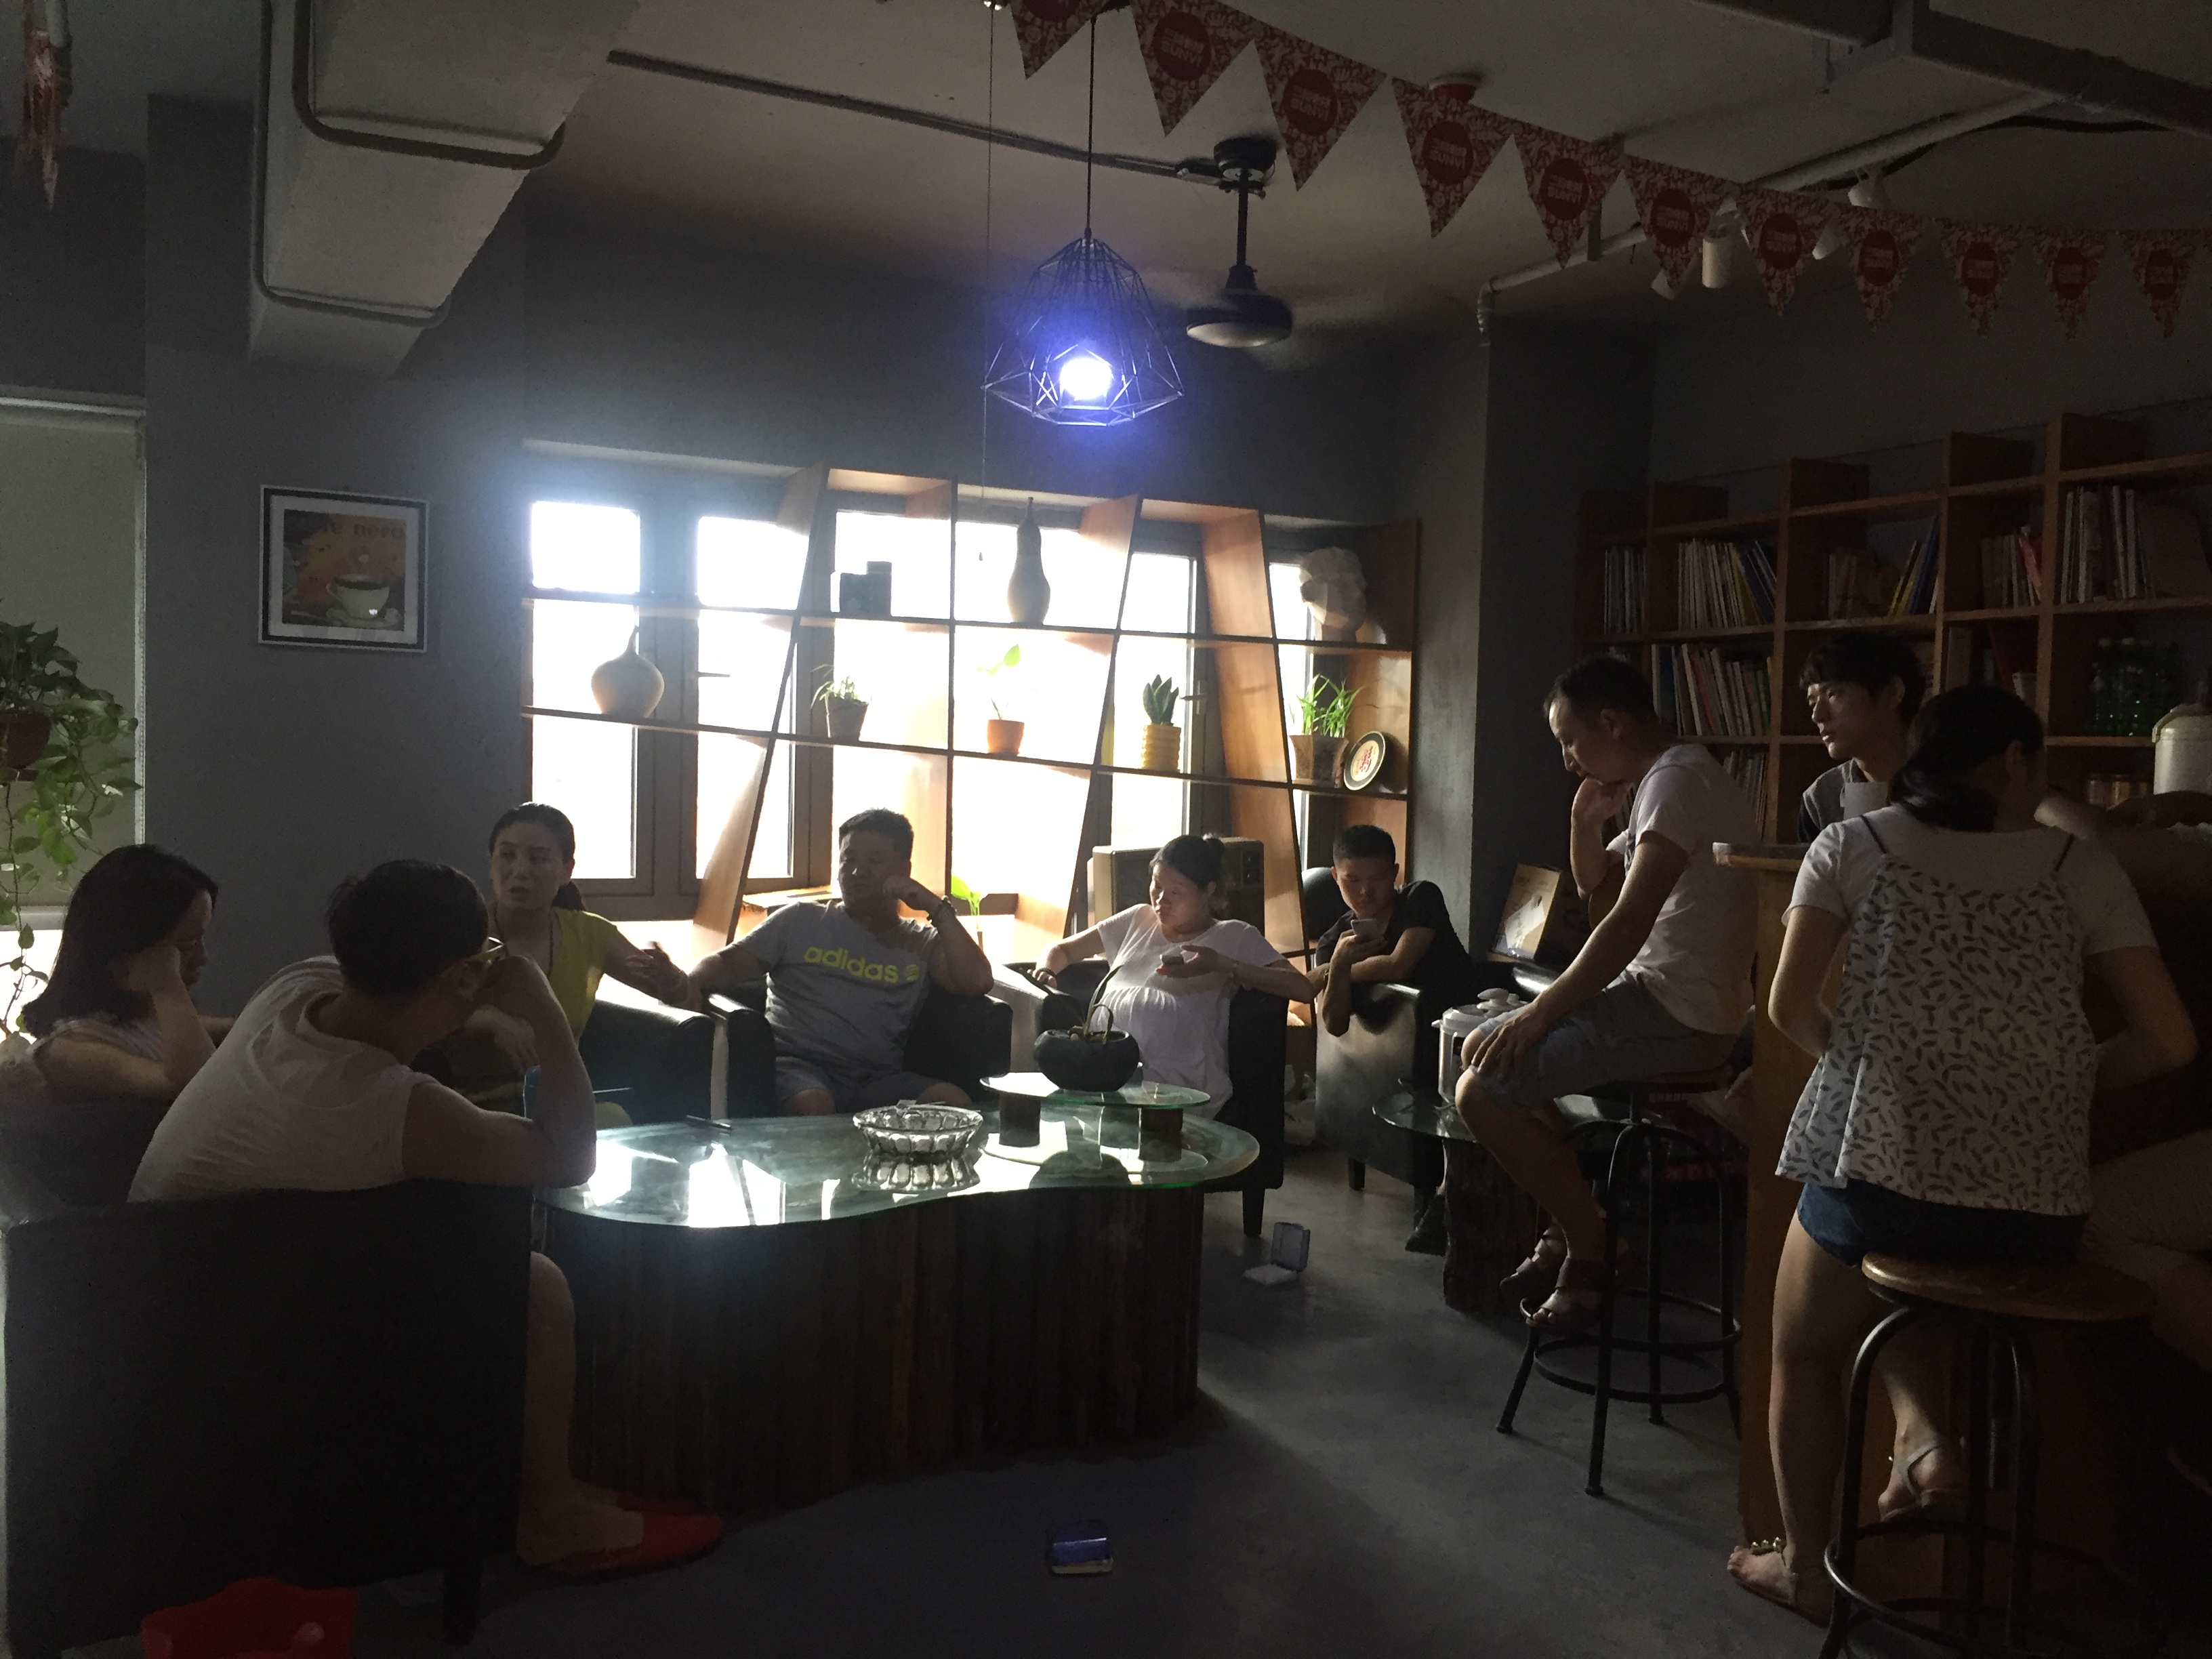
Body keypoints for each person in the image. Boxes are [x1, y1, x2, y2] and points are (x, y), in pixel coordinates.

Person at [1727, 687, 2194, 1620]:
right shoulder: (2081, 866)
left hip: (1887, 1186)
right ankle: (1926, 1437)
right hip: (2036, 1217)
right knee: (1927, 1257)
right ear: (2015, 761)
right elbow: (2170, 1042)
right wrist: (2059, 1088)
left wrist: (1872, 1073)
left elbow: (1787, 1007)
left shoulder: (1852, 845)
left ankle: (1808, 1569)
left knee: (1803, 1345)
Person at [131, 861, 723, 1578]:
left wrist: (469, 992)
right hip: (231, 1348)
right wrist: (541, 1008)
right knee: (535, 1286)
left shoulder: (301, 986)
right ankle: (552, 1518)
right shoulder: (382, 1103)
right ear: (459, 977)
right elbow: (571, 1158)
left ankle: (547, 1481)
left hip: (160, 1294)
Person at [1455, 655, 1757, 1328]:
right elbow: (1599, 894)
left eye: (1570, 739)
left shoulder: (1676, 782)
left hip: (1680, 1014)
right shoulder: (1669, 779)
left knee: (1482, 1091)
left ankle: (1592, 1245)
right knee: (1479, 1048)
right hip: (1658, 998)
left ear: (1612, 723)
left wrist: (1541, 1012)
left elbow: (1626, 922)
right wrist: (1582, 823)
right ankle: (1580, 1220)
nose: (1568, 758)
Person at [685, 808, 994, 1115]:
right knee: (815, 1104)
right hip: (797, 1068)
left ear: (904, 870)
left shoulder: (921, 942)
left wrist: (935, 907)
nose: (858, 872)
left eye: (874, 861)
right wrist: (692, 981)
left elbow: (979, 981)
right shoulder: (800, 920)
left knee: (953, 1103)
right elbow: (726, 963)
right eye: (849, 860)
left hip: (876, 1079)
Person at [1038, 834, 1313, 1118]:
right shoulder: (1137, 920)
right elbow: (1061, 950)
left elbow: (1302, 989)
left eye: (1175, 892)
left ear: (1207, 891)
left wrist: (1223, 965)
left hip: (1181, 1088)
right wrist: (1046, 971)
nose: (1161, 900)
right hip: (1106, 1076)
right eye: (1157, 886)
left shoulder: (1233, 935)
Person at [464, 802, 692, 1076]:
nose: (520, 870)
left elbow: (684, 998)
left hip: (558, 1093)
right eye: (507, 856)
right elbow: (419, 1014)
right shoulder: (463, 930)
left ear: (567, 871)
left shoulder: (589, 933)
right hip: (463, 1096)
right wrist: (486, 1019)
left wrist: (670, 978)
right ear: (491, 865)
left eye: (538, 859)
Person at [18, 844, 230, 1103]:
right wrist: (166, 986)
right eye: (186, 946)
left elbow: (233, 1030)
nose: (202, 959)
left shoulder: (142, 1018)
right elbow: (199, 1091)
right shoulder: (69, 1050)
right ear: (126, 951)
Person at [1311, 822, 1482, 1043]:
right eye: (1352, 880)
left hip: (1463, 1032)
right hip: (1386, 1054)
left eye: (1377, 879)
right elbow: (1335, 1026)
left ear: (1394, 873)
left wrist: (1332, 971)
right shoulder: (1332, 942)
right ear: (1335, 876)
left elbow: (1398, 965)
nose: (1365, 891)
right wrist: (1337, 966)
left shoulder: (1420, 898)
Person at [1797, 630, 1924, 841]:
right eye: (1813, 703)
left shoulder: (1954, 784)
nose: (1817, 716)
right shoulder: (1821, 799)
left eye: (1833, 694)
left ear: (1892, 693)